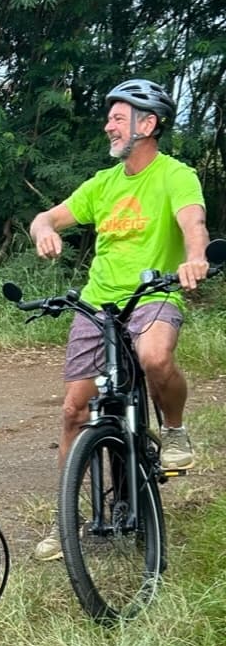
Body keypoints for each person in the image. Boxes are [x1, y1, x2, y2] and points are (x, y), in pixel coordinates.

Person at [29, 77, 209, 561]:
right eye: (109, 116)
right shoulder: (103, 184)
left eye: (118, 116)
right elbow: (46, 216)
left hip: (154, 293)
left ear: (147, 124)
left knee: (153, 356)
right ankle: (64, 519)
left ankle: (172, 429)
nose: (108, 124)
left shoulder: (176, 175)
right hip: (98, 303)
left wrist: (195, 258)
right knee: (73, 411)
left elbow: (194, 225)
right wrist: (44, 230)